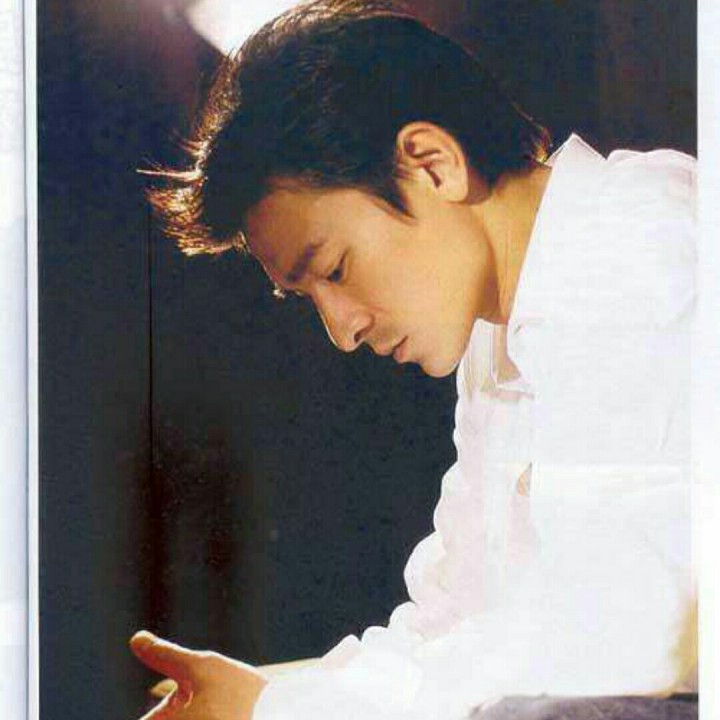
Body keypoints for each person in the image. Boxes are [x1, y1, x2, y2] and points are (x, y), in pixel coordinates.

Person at [131, 1, 698, 718]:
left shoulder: (639, 245)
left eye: (334, 270)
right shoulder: (501, 332)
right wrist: (274, 699)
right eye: (306, 297)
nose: (341, 331)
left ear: (433, 165)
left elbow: (621, 638)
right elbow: (455, 614)